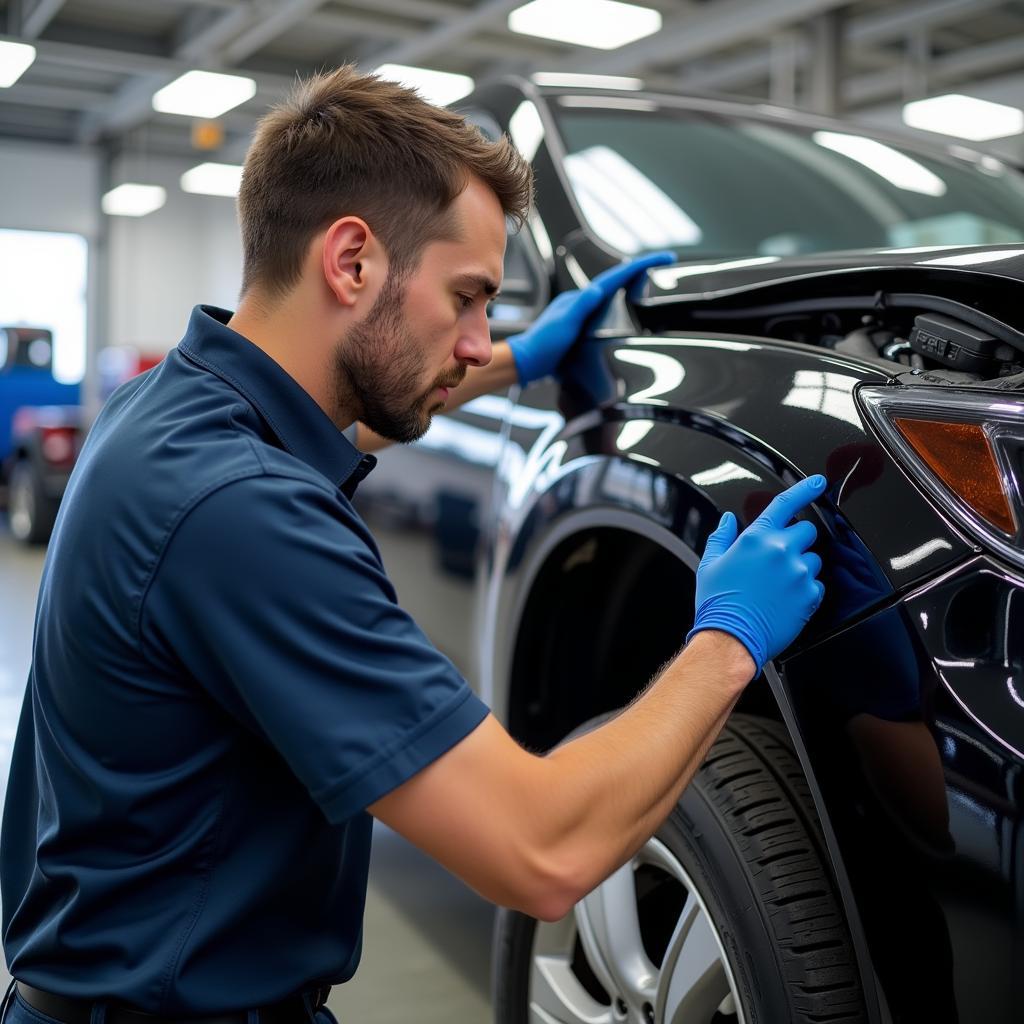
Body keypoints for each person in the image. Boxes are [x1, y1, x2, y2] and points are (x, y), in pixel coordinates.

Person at [0, 65, 827, 1024]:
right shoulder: (244, 512)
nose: (478, 340)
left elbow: (349, 420)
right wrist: (726, 642)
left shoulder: (168, 410)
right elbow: (542, 851)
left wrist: (523, 360)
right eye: (470, 297)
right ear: (351, 261)